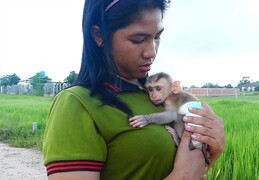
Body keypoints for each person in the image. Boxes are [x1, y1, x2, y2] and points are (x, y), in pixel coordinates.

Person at [42, 0, 226, 179]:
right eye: (138, 39)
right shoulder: (77, 103)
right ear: (99, 35)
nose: (152, 52)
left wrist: (213, 150)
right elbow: (184, 174)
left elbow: (189, 170)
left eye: (157, 37)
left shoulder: (158, 97)